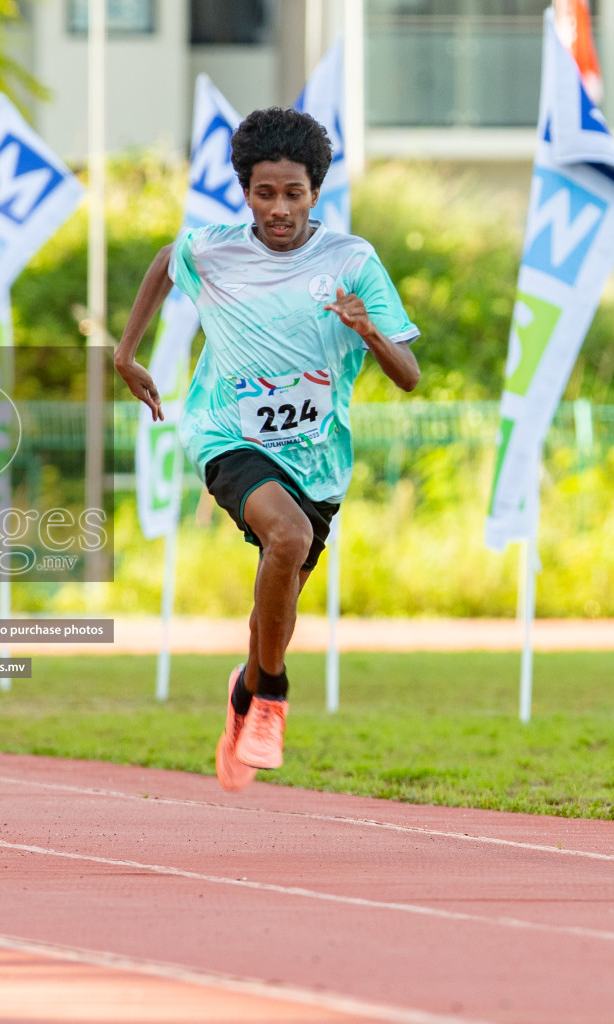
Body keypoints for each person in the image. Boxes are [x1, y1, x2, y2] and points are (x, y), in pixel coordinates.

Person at [113, 107, 420, 792]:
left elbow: (409, 377)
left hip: (318, 459)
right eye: (264, 193)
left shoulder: (352, 262)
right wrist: (124, 354)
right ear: (244, 191)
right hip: (228, 436)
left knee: (273, 605)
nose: (278, 209)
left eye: (293, 194)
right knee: (287, 536)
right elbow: (167, 263)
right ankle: (274, 698)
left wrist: (369, 332)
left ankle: (246, 691)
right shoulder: (214, 250)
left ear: (316, 192)